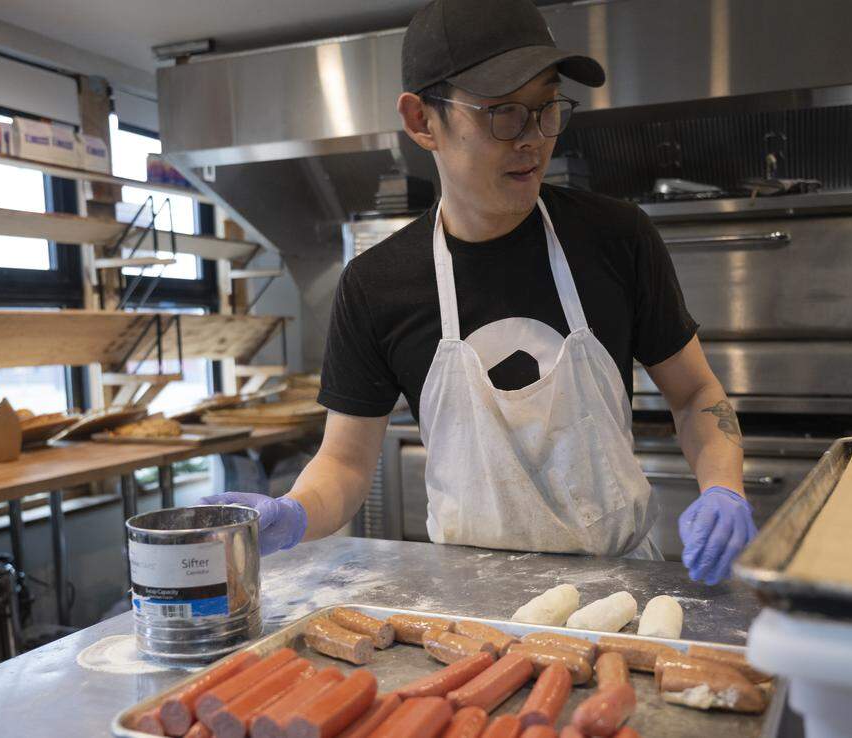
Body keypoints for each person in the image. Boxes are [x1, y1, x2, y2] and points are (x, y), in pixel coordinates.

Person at [201, 0, 755, 585]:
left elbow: (695, 393)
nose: (534, 139)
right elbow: (344, 462)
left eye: (547, 108)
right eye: (504, 113)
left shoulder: (617, 238)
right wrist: (294, 512)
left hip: (621, 585)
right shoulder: (376, 285)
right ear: (422, 121)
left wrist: (723, 487)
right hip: (468, 602)